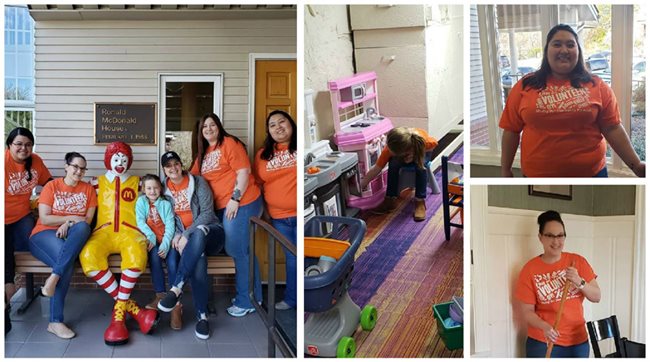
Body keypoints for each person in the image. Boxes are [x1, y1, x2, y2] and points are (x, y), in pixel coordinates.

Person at [500, 24, 645, 178]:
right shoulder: (525, 85)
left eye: (570, 45)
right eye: (557, 44)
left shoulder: (597, 85)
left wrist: (636, 165)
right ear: (547, 50)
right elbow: (511, 131)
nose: (564, 50)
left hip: (592, 176)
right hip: (537, 177)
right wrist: (505, 170)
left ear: (578, 51)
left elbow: (613, 129)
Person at [78, 142, 158, 346]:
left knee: (137, 255)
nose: (120, 163)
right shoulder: (95, 183)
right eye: (116, 159)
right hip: (102, 232)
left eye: (124, 159)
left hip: (130, 232)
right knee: (88, 255)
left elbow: (156, 203)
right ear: (108, 160)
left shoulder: (139, 183)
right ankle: (134, 310)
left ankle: (118, 317)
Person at [190, 113, 263, 317]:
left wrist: (235, 199)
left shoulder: (229, 143)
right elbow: (191, 178)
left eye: (212, 125)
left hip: (243, 202)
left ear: (219, 126)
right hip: (223, 206)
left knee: (237, 249)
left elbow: (243, 172)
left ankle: (246, 301)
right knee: (244, 249)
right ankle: (254, 296)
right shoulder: (204, 153)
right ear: (200, 131)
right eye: (205, 126)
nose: (209, 129)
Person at [157, 151, 225, 339]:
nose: (173, 168)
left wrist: (186, 234)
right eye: (168, 166)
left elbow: (208, 214)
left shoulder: (198, 182)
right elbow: (167, 218)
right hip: (187, 241)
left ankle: (176, 287)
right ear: (164, 170)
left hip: (211, 233)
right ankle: (202, 316)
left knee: (200, 232)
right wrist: (177, 235)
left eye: (176, 163)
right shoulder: (163, 190)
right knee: (199, 259)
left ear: (181, 164)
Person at [514, 210, 601, 358]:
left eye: (560, 235)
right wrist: (545, 327)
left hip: (577, 341)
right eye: (550, 236)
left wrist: (579, 282)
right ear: (540, 237)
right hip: (543, 341)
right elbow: (527, 312)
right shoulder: (529, 270)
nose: (556, 241)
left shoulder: (577, 261)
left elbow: (596, 296)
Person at [28, 152, 96, 339]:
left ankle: (53, 278)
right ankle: (55, 321)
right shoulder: (52, 186)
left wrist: (69, 224)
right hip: (43, 235)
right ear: (66, 166)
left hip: (72, 236)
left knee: (82, 228)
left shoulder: (88, 190)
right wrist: (69, 218)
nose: (79, 171)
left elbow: (87, 222)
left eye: (83, 168)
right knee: (64, 261)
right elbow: (45, 218)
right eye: (75, 166)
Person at [5, 127, 52, 334]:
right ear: (9, 145)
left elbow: (48, 183)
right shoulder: (4, 163)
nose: (23, 148)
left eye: (27, 144)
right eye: (19, 144)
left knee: (32, 246)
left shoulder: (35, 161)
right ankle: (7, 295)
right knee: (6, 253)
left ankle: (10, 285)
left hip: (22, 216)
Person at [253, 110, 297, 310]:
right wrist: (265, 213)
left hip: (302, 213)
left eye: (282, 122)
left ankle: (304, 296)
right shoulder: (262, 155)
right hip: (279, 218)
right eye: (272, 124)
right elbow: (259, 184)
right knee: (292, 258)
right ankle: (292, 299)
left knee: (304, 256)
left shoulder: (298, 146)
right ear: (268, 131)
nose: (278, 127)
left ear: (291, 125)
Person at [360, 127, 438, 222]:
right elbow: (377, 168)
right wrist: (363, 184)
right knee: (393, 164)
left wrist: (415, 154)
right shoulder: (389, 149)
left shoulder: (424, 142)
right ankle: (390, 198)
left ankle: (420, 201)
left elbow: (435, 144)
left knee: (420, 167)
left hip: (421, 151)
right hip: (407, 151)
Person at [135, 174, 177, 326]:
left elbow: (170, 225)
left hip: (167, 239)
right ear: (143, 189)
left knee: (172, 262)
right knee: (154, 259)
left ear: (161, 188)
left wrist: (166, 244)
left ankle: (174, 296)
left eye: (156, 188)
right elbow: (140, 221)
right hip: (151, 240)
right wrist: (151, 237)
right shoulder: (141, 202)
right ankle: (160, 294)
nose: (152, 191)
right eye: (149, 188)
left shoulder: (165, 204)